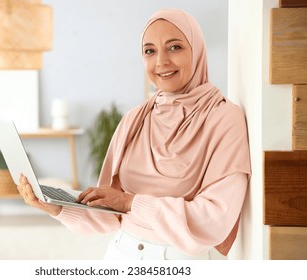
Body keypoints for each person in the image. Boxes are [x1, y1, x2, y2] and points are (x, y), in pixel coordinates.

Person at [17, 8, 251, 260]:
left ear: (197, 50)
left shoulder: (224, 117)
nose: (161, 61)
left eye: (175, 47)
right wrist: (55, 207)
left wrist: (131, 203)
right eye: (150, 51)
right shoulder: (135, 119)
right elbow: (110, 211)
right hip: (121, 253)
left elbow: (215, 220)